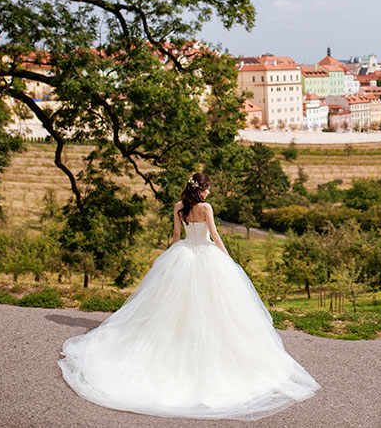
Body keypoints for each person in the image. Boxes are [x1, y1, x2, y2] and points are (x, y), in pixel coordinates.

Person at [58, 173, 319, 420]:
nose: (209, 192)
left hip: (183, 253)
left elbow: (175, 236)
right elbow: (214, 235)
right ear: (201, 189)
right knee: (214, 307)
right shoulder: (206, 208)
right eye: (207, 188)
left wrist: (168, 262)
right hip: (206, 254)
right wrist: (228, 260)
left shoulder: (179, 206)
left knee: (173, 305)